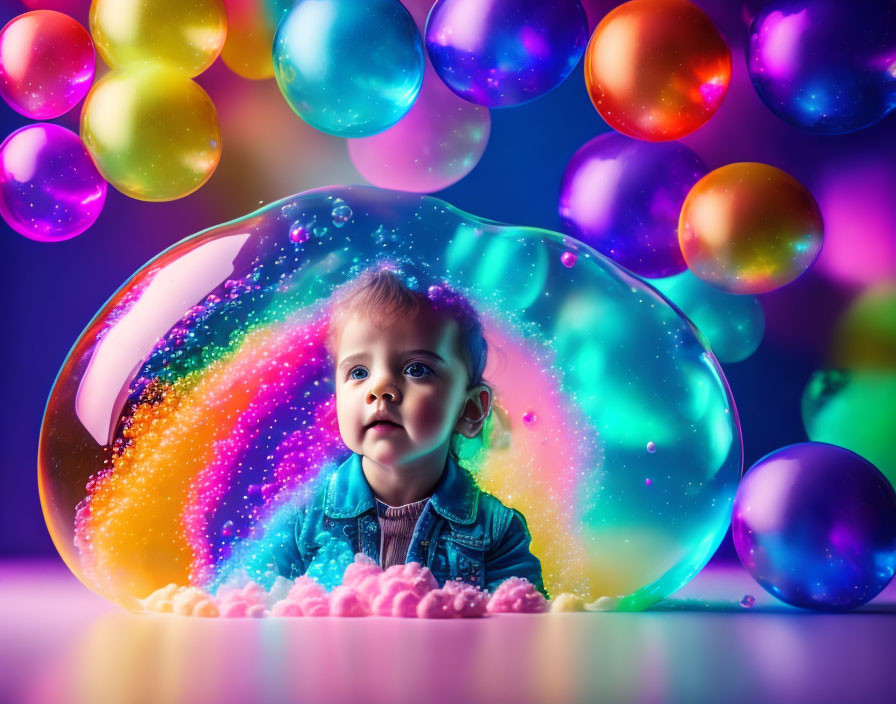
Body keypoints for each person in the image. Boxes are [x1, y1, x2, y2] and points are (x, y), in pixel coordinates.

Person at [271, 263, 546, 597]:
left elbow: (523, 630)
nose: (381, 388)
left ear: (470, 410)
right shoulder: (302, 521)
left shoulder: (497, 531)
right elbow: (251, 614)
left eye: (417, 369)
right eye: (358, 372)